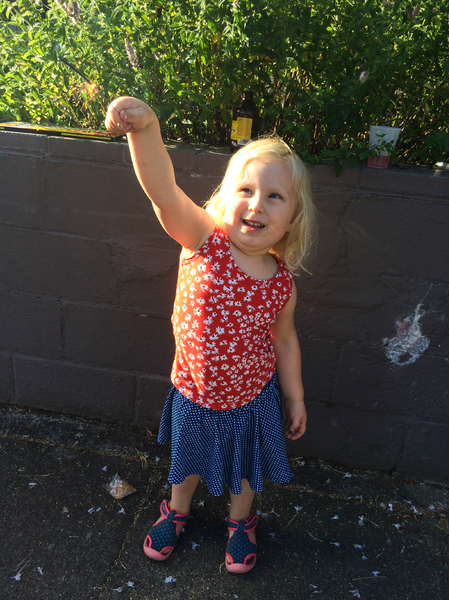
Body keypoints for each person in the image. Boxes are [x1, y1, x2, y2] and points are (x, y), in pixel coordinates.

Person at [105, 97, 315, 574]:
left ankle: (241, 523)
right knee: (187, 465)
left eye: (275, 196)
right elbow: (164, 192)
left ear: (292, 217)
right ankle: (176, 511)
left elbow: (285, 341)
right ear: (225, 195)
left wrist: (296, 398)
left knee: (247, 473)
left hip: (252, 399)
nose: (256, 204)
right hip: (195, 394)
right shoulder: (204, 239)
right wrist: (145, 128)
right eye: (246, 189)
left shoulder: (282, 284)